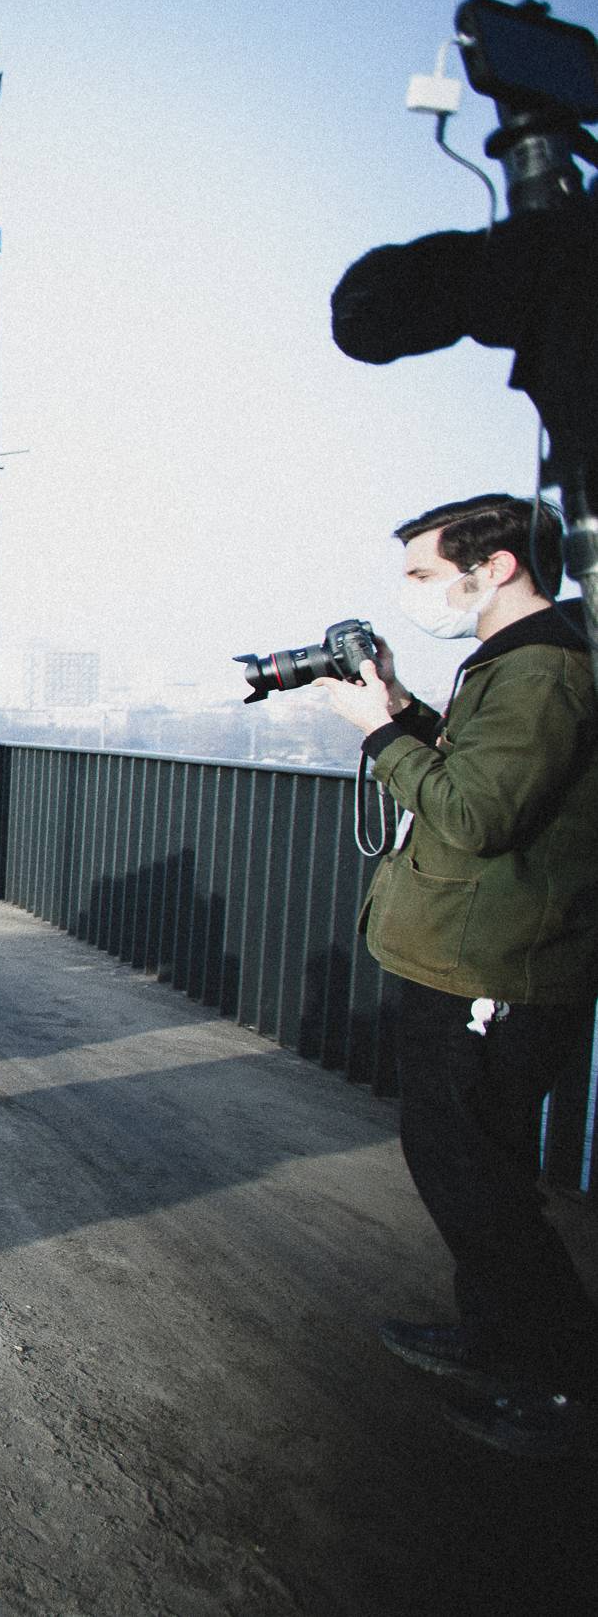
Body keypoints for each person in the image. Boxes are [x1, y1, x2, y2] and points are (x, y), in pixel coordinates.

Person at [315, 493, 598, 1461]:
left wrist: (378, 736)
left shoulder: (546, 674)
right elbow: (479, 770)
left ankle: (560, 1378)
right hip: (468, 954)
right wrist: (401, 710)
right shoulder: (515, 665)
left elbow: (477, 815)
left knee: (471, 1173)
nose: (415, 596)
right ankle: (493, 1335)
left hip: (496, 965)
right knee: (474, 1163)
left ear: (500, 566)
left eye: (427, 574)